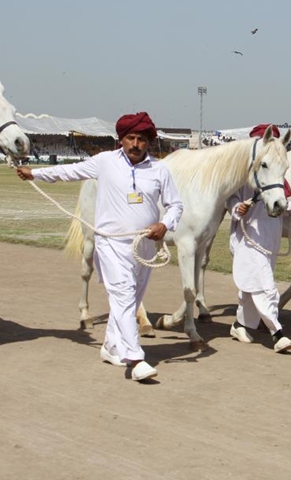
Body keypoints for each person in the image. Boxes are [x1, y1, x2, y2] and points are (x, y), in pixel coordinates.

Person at [16, 112, 183, 381]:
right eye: (130, 138)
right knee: (124, 297)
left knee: (131, 300)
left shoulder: (160, 170)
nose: (136, 144)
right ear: (122, 139)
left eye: (141, 139)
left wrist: (165, 224)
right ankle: (135, 358)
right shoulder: (104, 162)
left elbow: (176, 204)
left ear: (149, 142)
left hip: (145, 246)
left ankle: (110, 347)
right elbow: (67, 172)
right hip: (112, 244)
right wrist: (34, 173)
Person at [227, 124, 291, 353]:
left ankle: (240, 324)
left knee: (251, 286)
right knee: (265, 287)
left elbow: (279, 200)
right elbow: (230, 199)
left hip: (270, 239)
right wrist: (237, 208)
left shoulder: (277, 177)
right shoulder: (242, 177)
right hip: (249, 238)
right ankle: (276, 332)